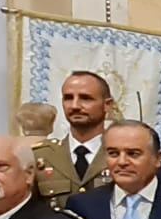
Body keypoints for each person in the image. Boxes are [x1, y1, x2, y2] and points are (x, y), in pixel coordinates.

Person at [33, 71, 115, 207]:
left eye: (85, 98)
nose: (75, 106)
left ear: (107, 104)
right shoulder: (41, 156)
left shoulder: (121, 154)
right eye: (68, 98)